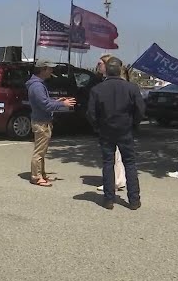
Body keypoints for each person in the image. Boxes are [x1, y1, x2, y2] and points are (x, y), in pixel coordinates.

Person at [88, 56, 145, 210]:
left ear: (106, 70)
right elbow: (140, 110)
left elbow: (91, 113)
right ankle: (134, 200)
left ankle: (109, 199)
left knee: (108, 164)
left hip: (106, 131)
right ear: (120, 71)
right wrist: (134, 124)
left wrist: (97, 127)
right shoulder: (131, 88)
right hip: (125, 130)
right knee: (130, 164)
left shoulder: (97, 89)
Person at [25, 59, 76, 187]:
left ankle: (41, 174)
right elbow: (45, 105)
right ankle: (36, 177)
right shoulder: (37, 86)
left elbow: (44, 101)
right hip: (41, 122)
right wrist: (62, 104)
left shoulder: (38, 84)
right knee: (39, 151)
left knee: (42, 150)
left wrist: (57, 100)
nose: (52, 71)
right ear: (43, 69)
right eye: (49, 68)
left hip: (42, 121)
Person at [93, 54, 126, 193]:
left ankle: (113, 182)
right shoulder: (106, 82)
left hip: (112, 124)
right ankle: (119, 180)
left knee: (113, 156)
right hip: (119, 125)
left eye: (100, 64)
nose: (98, 66)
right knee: (117, 155)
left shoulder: (112, 83)